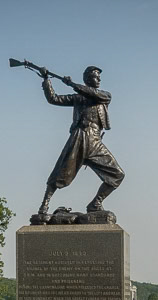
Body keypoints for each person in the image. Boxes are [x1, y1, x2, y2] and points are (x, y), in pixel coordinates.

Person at [36, 65, 125, 218]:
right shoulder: (78, 97)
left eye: (99, 77)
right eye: (96, 77)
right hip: (79, 137)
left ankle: (95, 203)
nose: (99, 79)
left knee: (117, 174)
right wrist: (46, 80)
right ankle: (44, 204)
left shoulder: (104, 96)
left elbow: (92, 94)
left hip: (95, 141)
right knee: (60, 172)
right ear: (88, 78)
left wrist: (72, 85)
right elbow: (53, 99)